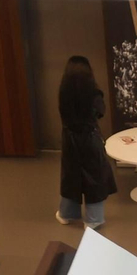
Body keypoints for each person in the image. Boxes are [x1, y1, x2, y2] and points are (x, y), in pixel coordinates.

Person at [54, 55, 117, 229]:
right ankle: (93, 219)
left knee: (71, 176)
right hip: (89, 139)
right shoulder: (94, 94)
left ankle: (66, 214)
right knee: (94, 177)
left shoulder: (63, 92)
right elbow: (100, 112)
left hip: (69, 140)